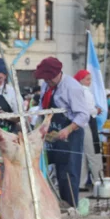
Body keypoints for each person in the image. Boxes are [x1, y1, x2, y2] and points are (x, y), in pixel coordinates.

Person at [36, 57, 89, 207]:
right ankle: (56, 205)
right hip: (53, 132)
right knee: (54, 170)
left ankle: (72, 206)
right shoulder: (46, 86)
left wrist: (68, 129)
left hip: (71, 133)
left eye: (49, 77)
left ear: (58, 73)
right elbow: (42, 107)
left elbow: (83, 114)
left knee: (68, 172)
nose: (47, 80)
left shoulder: (72, 87)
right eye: (45, 78)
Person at [73, 69, 104, 190]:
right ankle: (99, 181)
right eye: (87, 79)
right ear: (81, 80)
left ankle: (81, 182)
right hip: (87, 124)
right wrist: (97, 110)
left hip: (80, 126)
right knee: (93, 154)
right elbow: (88, 110)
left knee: (83, 156)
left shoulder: (76, 91)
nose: (89, 82)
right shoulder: (85, 92)